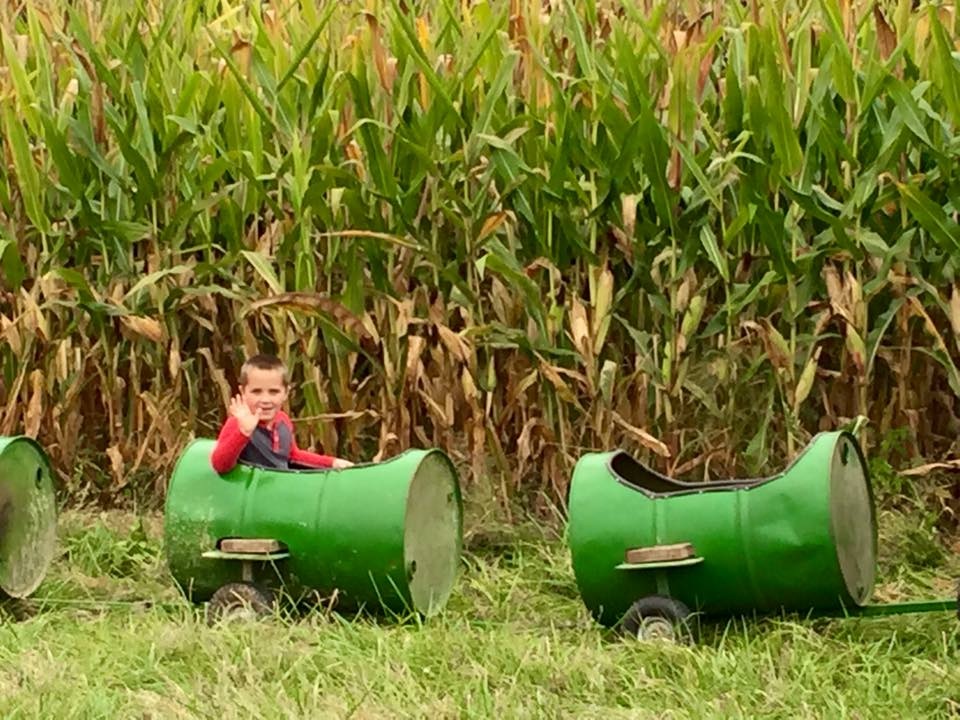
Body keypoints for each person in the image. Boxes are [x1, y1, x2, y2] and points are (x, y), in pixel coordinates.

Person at [210, 353, 354, 473]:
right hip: (252, 496)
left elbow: (292, 456)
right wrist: (243, 433)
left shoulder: (282, 420)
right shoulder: (238, 423)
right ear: (243, 392)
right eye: (256, 391)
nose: (265, 400)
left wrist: (332, 462)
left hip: (281, 490)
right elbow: (220, 465)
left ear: (286, 393)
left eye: (274, 392)